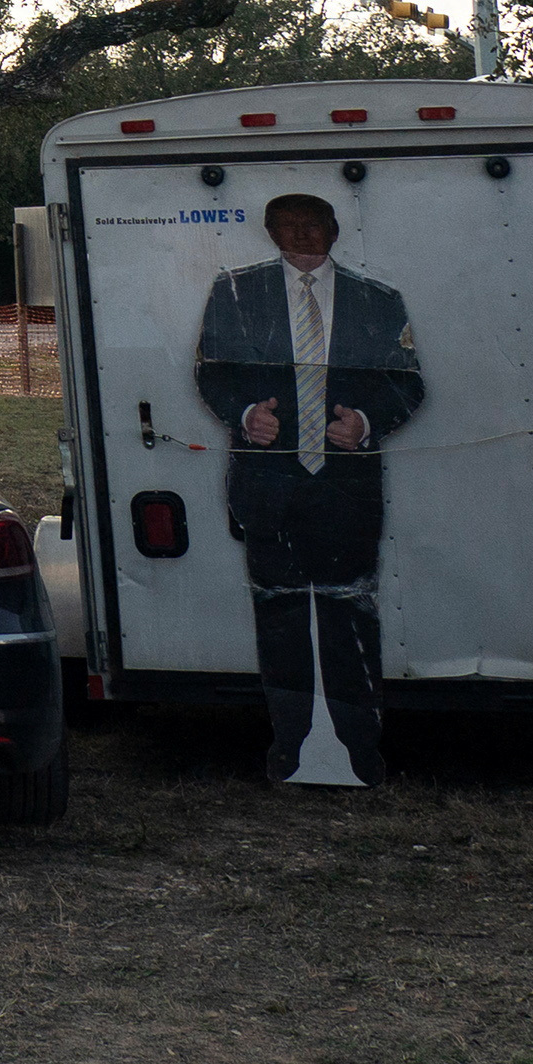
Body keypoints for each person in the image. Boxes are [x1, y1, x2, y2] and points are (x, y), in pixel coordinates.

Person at [193, 193, 425, 782]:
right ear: (271, 233)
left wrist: (367, 424)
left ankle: (361, 747)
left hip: (347, 489)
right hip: (268, 487)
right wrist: (245, 414)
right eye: (289, 226)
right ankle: (289, 745)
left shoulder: (378, 299)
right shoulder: (236, 292)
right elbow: (212, 373)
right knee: (280, 618)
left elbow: (408, 384)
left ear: (335, 231)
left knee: (351, 616)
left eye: (313, 225)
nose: (302, 236)